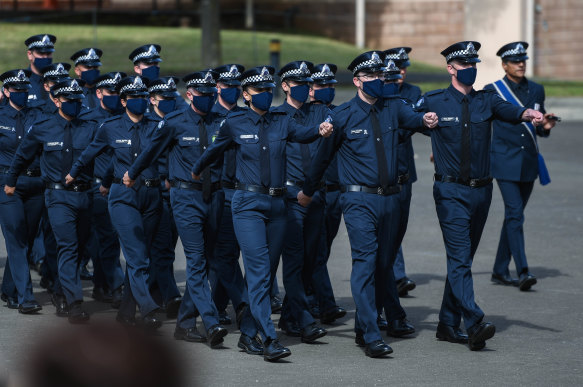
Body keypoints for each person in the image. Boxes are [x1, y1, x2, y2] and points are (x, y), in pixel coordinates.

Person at [191, 65, 333, 361]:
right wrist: (196, 170)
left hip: (278, 206)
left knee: (265, 275)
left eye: (270, 90)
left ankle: (246, 333)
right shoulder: (235, 122)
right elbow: (214, 151)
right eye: (260, 91)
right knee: (257, 272)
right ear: (245, 95)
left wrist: (320, 130)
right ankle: (269, 338)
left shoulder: (281, 121)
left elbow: (304, 134)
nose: (267, 95)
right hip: (248, 205)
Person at [298, 51, 435, 358]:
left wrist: (427, 120)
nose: (378, 80)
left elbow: (415, 120)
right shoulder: (343, 116)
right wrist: (308, 191)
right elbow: (322, 158)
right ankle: (372, 335)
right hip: (357, 199)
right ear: (358, 81)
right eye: (371, 76)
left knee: (384, 264)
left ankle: (363, 326)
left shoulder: (393, 108)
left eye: (380, 75)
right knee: (365, 262)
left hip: (389, 198)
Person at [414, 41, 544, 350]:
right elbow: (403, 119)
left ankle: (447, 324)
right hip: (450, 192)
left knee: (463, 261)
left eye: (474, 65)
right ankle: (473, 321)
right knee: (460, 259)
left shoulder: (487, 100)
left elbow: (510, 111)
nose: (471, 70)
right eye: (465, 66)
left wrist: (528, 113)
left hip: (481, 191)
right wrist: (420, 122)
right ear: (451, 69)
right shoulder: (433, 101)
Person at [124, 70, 231, 349]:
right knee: (196, 260)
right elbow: (151, 151)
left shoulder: (222, 121)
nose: (208, 99)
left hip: (215, 195)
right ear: (189, 95)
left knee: (207, 261)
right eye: (202, 95)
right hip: (185, 198)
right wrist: (131, 173)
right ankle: (210, 321)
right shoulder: (174, 122)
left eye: (211, 95)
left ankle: (184, 325)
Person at [66, 75, 164, 330]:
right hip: (123, 198)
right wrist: (74, 172)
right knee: (137, 255)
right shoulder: (110, 126)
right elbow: (91, 152)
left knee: (141, 257)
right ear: (123, 101)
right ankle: (149, 307)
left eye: (144, 97)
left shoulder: (157, 125)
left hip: (151, 196)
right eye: (135, 98)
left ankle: (126, 312)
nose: (141, 102)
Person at [6, 78, 98, 323]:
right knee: (67, 246)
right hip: (57, 196)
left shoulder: (90, 127)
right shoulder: (43, 126)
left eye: (78, 100)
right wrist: (11, 180)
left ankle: (61, 291)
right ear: (56, 101)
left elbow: (105, 155)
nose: (75, 105)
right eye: (69, 101)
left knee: (79, 249)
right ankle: (74, 302)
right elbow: (22, 156)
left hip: (85, 195)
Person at [485, 42, 557, 291]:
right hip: (504, 162)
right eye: (515, 61)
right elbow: (482, 126)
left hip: (528, 162)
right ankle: (523, 271)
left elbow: (538, 123)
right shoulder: (492, 90)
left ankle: (499, 269)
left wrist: (545, 127)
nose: (521, 64)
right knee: (515, 214)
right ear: (504, 65)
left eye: (523, 60)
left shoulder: (536, 89)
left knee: (513, 218)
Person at [272, 60, 329, 341]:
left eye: (309, 84)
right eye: (299, 85)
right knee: (293, 261)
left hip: (316, 195)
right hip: (290, 198)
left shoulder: (319, 111)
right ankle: (305, 321)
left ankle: (289, 317)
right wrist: (289, 192)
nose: (306, 89)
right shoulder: (275, 117)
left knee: (310, 261)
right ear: (285, 86)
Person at [77, 71, 127, 307]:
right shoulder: (87, 119)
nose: (115, 97)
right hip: (97, 187)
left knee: (107, 240)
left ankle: (101, 284)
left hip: (123, 185)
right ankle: (116, 286)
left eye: (119, 92)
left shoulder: (126, 118)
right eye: (110, 92)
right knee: (105, 238)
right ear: (98, 93)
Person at [0, 69, 43, 314]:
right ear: (6, 92)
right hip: (7, 186)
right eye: (17, 91)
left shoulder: (38, 116)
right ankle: (25, 296)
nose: (22, 94)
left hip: (34, 184)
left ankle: (8, 289)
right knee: (16, 240)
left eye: (25, 90)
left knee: (24, 240)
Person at [208, 63, 249, 326]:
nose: (232, 90)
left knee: (230, 253)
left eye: (237, 86)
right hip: (215, 192)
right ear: (217, 87)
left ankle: (219, 305)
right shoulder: (208, 116)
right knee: (219, 254)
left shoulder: (246, 117)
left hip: (241, 192)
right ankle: (231, 304)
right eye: (227, 86)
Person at [307, 63, 347, 324]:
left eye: (331, 85)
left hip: (336, 193)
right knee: (315, 250)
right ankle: (323, 303)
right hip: (312, 193)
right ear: (310, 88)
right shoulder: (302, 116)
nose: (328, 90)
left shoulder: (340, 114)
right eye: (322, 85)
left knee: (322, 250)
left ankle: (311, 297)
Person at [384, 47, 422, 297]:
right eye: (397, 68)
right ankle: (396, 275)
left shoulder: (413, 92)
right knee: (387, 223)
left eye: (404, 68)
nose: (402, 72)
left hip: (405, 167)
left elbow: (414, 124)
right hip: (383, 168)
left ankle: (394, 273)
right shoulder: (379, 92)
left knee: (399, 226)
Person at [144, 76, 182, 318]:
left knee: (166, 248)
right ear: (152, 100)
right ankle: (167, 295)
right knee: (156, 249)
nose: (168, 102)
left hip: (175, 193)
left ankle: (155, 295)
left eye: (171, 98)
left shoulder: (178, 121)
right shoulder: (147, 124)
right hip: (153, 192)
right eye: (163, 98)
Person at [128, 44, 188, 111]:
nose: (153, 67)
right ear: (137, 69)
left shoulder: (167, 88)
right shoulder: (130, 90)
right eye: (148, 64)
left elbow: (185, 110)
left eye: (156, 63)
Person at [24, 34, 57, 105]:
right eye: (41, 53)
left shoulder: (59, 82)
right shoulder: (21, 84)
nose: (45, 57)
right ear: (30, 55)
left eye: (48, 53)